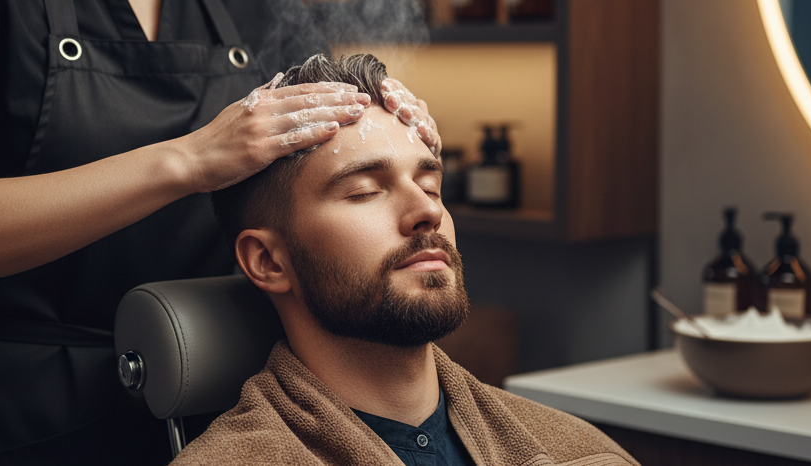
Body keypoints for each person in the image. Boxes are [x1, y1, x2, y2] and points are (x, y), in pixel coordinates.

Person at [0, 0, 440, 464]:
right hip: (26, 420)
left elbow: (303, 179)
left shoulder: (257, 7)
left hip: (225, 403)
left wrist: (382, 131)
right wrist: (189, 160)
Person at [181, 53, 639, 465]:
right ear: (267, 260)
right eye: (364, 192)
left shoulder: (584, 454)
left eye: (430, 186)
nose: (428, 211)